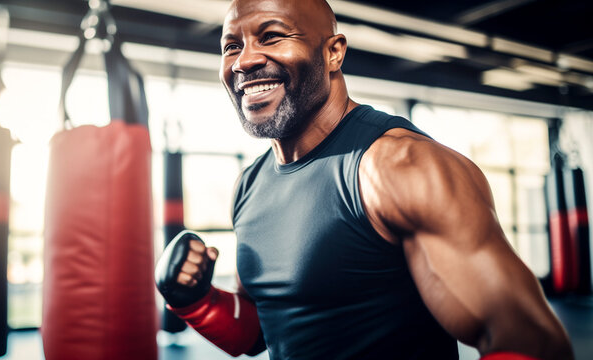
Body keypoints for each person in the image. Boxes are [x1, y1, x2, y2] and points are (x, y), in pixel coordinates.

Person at [155, 0, 574, 359]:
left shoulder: (400, 166)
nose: (245, 60)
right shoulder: (249, 187)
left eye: (271, 36)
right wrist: (199, 302)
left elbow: (528, 339)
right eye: (232, 46)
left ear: (333, 52)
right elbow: (262, 331)